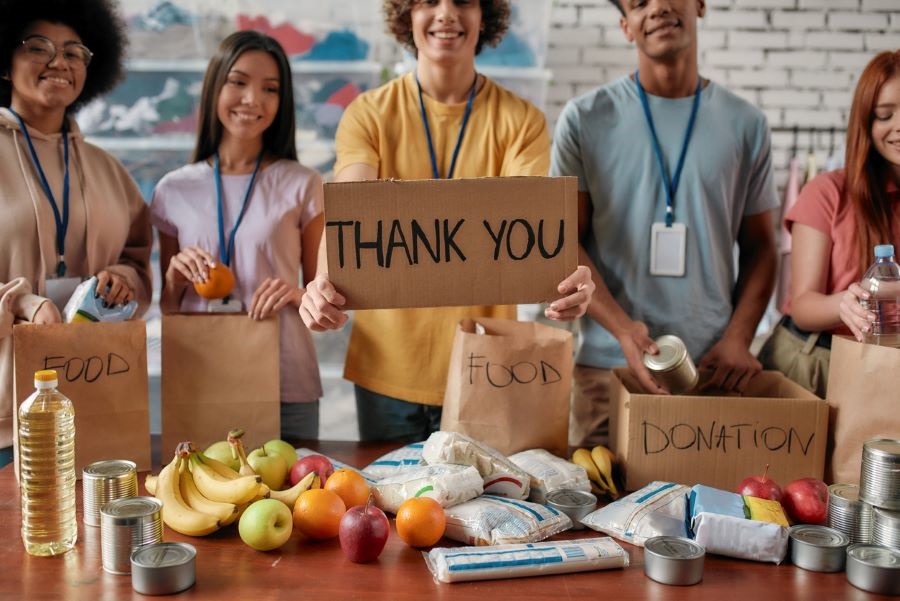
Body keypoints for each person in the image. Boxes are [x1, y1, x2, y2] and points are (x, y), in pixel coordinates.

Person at [299, 0, 594, 443]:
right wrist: (323, 280)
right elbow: (350, 213)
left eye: (463, 1)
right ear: (407, 15)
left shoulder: (521, 121)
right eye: (428, 1)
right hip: (387, 369)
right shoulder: (368, 114)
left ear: (485, 17)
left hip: (485, 365)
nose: (445, 13)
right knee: (388, 511)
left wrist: (568, 281)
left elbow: (532, 231)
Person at [551, 0, 779, 447]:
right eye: (639, 3)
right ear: (626, 26)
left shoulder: (746, 124)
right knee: (596, 510)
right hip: (607, 367)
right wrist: (622, 330)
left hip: (713, 367)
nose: (657, 8)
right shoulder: (584, 118)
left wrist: (738, 339)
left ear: (699, 6)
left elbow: (763, 248)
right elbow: (564, 242)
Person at [150, 31, 325, 441]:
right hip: (203, 378)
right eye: (239, 82)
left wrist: (295, 293)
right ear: (215, 86)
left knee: (303, 504)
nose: (253, 99)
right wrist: (176, 275)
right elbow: (169, 309)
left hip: (286, 379)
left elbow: (323, 299)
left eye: (270, 89)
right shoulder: (173, 189)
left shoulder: (302, 184)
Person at [0, 0, 152, 467]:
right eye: (39, 47)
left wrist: (123, 278)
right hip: (7, 415)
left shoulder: (108, 169)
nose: (58, 61)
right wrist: (22, 304)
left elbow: (139, 259)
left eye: (74, 51)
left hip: (97, 398)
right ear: (6, 62)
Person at [759, 50, 900, 397]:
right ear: (865, 123)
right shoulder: (827, 192)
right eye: (885, 115)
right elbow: (802, 305)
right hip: (825, 368)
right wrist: (845, 303)